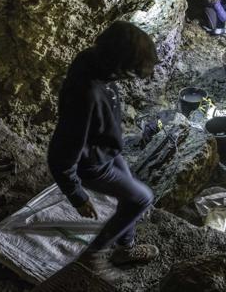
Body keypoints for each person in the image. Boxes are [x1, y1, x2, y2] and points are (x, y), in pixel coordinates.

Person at [47, 21, 160, 274]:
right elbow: (60, 154)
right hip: (93, 164)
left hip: (107, 149)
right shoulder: (85, 95)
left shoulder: (92, 59)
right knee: (142, 197)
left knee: (130, 197)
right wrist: (77, 195)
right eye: (130, 72)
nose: (130, 78)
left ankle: (125, 247)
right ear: (117, 65)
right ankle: (92, 254)